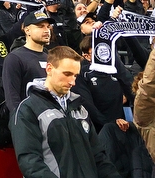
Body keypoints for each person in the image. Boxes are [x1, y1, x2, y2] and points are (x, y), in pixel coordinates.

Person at [11, 45, 118, 178]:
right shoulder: (28, 109)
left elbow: (99, 157)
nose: (72, 82)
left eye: (75, 76)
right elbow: (30, 163)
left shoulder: (80, 109)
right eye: (67, 74)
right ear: (49, 69)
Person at [3, 10, 53, 113]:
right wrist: (21, 122)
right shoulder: (14, 58)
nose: (47, 30)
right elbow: (12, 97)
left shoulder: (50, 57)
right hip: (29, 118)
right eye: (40, 26)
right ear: (27, 30)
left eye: (48, 27)